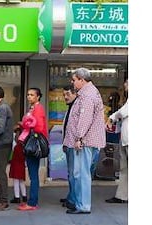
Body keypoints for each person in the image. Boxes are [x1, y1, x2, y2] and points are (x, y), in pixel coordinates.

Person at [63, 68, 106, 214]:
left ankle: (83, 206)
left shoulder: (87, 96)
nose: (72, 82)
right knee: (78, 173)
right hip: (84, 140)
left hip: (84, 141)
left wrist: (79, 138)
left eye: (74, 80)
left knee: (81, 174)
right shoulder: (87, 93)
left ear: (82, 80)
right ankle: (77, 202)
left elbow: (84, 119)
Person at [17, 88, 48, 211]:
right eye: (28, 94)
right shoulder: (33, 108)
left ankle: (32, 202)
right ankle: (32, 201)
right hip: (32, 143)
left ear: (38, 97)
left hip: (33, 145)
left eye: (32, 95)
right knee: (32, 174)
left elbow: (39, 127)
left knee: (33, 175)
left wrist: (25, 124)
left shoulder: (38, 109)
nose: (29, 97)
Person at [105, 79, 128, 204]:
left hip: (129, 140)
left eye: (127, 83)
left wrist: (111, 118)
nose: (125, 85)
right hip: (125, 140)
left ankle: (123, 196)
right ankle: (122, 196)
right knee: (124, 169)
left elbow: (123, 112)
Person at [59, 85, 78, 210]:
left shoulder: (77, 107)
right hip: (68, 143)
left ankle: (73, 199)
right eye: (64, 94)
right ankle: (71, 196)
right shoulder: (70, 107)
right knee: (70, 173)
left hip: (73, 144)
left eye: (68, 94)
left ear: (75, 94)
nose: (65, 97)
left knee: (73, 174)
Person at [8, 129, 27, 204]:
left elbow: (12, 141)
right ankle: (24, 196)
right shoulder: (24, 146)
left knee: (16, 181)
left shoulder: (16, 146)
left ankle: (17, 197)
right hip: (22, 165)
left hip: (15, 165)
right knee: (21, 181)